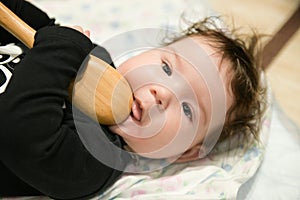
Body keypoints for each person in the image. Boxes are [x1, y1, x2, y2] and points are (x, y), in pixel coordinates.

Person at [0, 0, 266, 199]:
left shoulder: (94, 164)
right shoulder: (95, 60)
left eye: (188, 109)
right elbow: (31, 27)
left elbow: (20, 135)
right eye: (166, 68)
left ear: (184, 153)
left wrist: (62, 48)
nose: (163, 93)